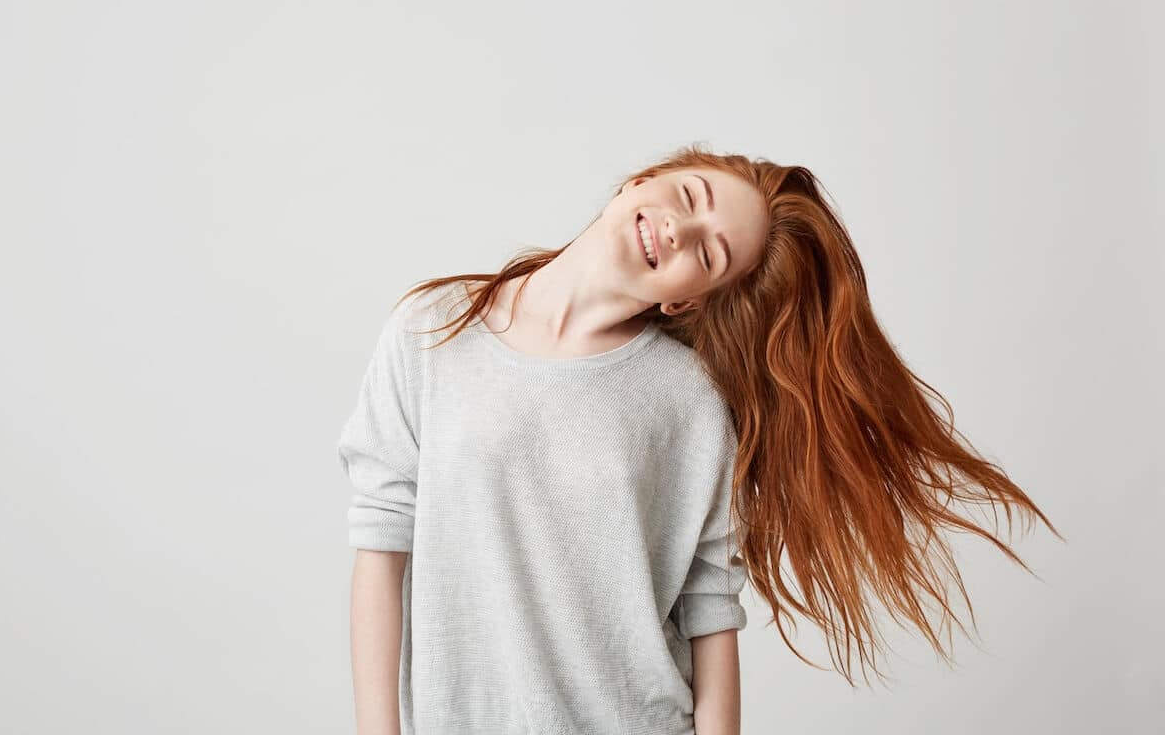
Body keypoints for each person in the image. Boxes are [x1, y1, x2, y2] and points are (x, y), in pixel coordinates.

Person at [338, 144, 1062, 735]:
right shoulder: (432, 328)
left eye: (710, 255)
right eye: (688, 197)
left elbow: (707, 602)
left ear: (686, 298)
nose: (680, 230)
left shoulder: (687, 398)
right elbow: (381, 545)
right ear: (640, 182)